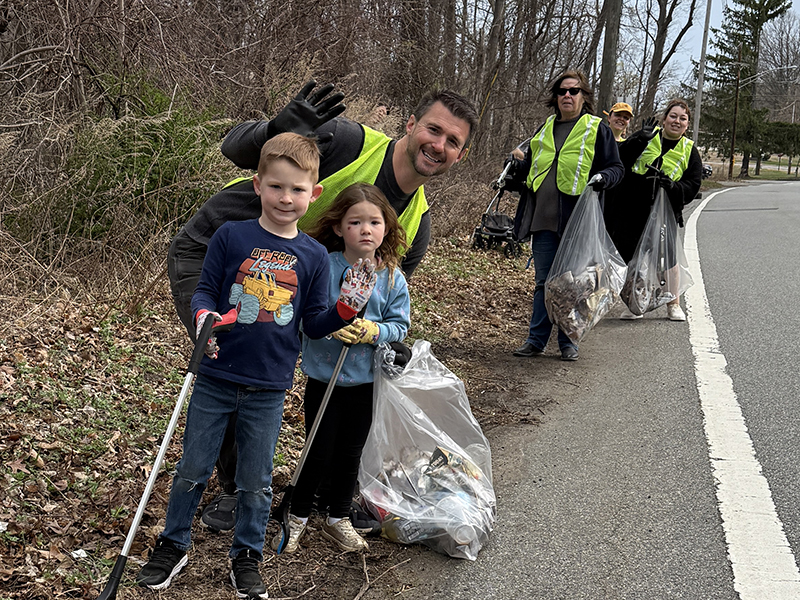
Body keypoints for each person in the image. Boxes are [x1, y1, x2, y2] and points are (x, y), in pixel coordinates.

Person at [168, 82, 477, 531]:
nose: (439, 145)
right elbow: (232, 146)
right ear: (410, 125)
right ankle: (234, 490)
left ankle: (300, 487)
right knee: (235, 355)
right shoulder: (348, 142)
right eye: (434, 129)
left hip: (287, 283)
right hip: (215, 251)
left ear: (460, 156)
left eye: (454, 142)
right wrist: (274, 129)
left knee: (265, 365)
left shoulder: (417, 225)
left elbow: (382, 297)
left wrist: (387, 337)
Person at [135, 133, 376, 598]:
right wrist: (203, 316)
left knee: (256, 480)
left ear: (314, 193)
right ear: (257, 185)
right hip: (216, 377)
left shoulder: (311, 256)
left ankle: (247, 554)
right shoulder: (231, 235)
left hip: (268, 385)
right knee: (192, 468)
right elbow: (205, 290)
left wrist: (346, 310)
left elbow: (314, 322)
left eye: (297, 189)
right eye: (276, 187)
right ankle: (173, 544)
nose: (286, 198)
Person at [271, 182, 411, 554]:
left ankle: (338, 516)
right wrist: (335, 323)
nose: (366, 230)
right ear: (338, 228)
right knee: (318, 448)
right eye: (355, 222)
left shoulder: (392, 277)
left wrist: (373, 331)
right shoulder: (324, 267)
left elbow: (399, 324)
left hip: (365, 380)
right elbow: (305, 317)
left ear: (386, 228)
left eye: (375, 222)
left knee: (352, 450)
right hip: (324, 376)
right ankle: (298, 514)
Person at [508, 69, 624, 362]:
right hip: (542, 220)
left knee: (572, 284)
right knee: (544, 283)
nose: (567, 96)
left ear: (584, 97)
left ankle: (568, 342)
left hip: (577, 222)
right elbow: (532, 169)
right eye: (562, 91)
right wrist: (515, 168)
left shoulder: (597, 128)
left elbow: (616, 168)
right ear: (555, 97)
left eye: (574, 91)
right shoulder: (544, 129)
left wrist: (601, 178)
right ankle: (535, 340)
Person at [607, 99, 702, 321]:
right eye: (673, 116)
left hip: (665, 211)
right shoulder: (647, 137)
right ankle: (635, 302)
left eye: (682, 118)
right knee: (630, 258)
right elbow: (621, 160)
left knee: (667, 258)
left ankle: (673, 304)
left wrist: (674, 187)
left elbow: (693, 183)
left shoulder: (689, 150)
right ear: (664, 118)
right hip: (632, 208)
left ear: (687, 124)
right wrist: (639, 139)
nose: (677, 121)